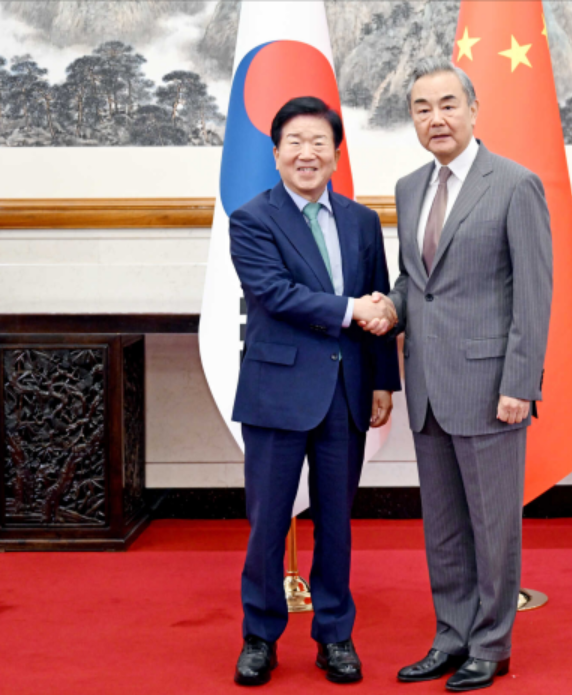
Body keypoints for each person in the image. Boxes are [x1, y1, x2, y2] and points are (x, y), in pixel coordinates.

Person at [361, 58, 553, 692]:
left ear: (473, 110)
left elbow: (534, 294)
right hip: (427, 386)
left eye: (447, 104)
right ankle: (451, 635)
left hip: (490, 388)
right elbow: (416, 282)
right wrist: (391, 307)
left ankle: (491, 644)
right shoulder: (409, 188)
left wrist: (520, 383)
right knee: (443, 528)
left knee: (493, 528)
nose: (435, 118)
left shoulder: (516, 184)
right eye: (422, 108)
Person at [229, 96, 400, 687]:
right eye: (295, 142)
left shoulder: (361, 221)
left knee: (337, 523)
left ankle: (334, 635)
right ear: (276, 153)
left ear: (336, 154)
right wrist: (353, 309)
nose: (307, 153)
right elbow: (275, 294)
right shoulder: (252, 219)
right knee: (268, 522)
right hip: (277, 392)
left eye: (319, 142)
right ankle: (259, 636)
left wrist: (383, 379)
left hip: (346, 392)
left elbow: (380, 300)